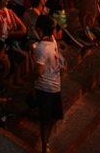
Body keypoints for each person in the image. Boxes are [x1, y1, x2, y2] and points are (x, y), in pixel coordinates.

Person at [31, 13, 66, 153]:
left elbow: (38, 71)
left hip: (54, 86)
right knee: (46, 119)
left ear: (39, 30)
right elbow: (39, 71)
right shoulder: (43, 46)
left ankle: (46, 141)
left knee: (53, 117)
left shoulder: (44, 45)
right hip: (45, 87)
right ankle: (45, 143)